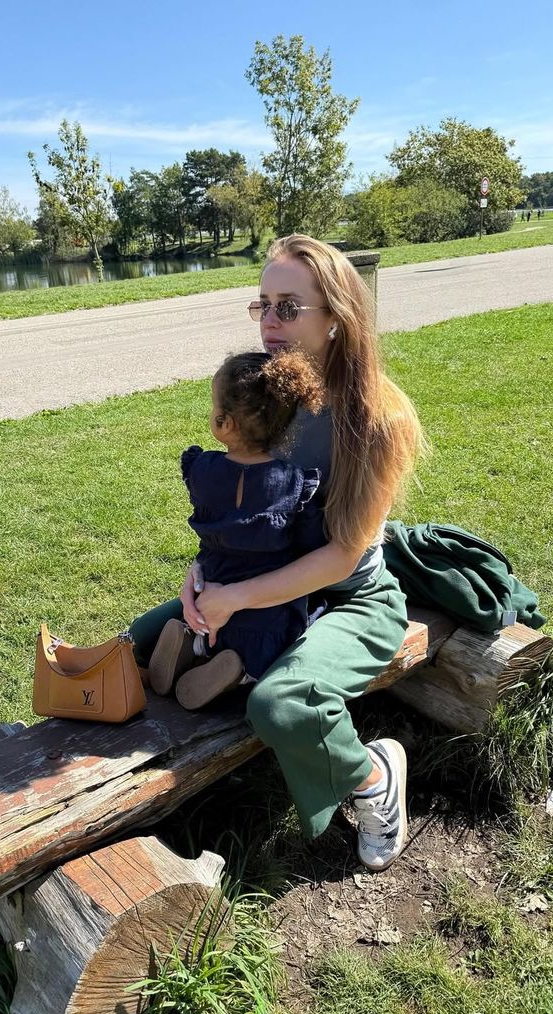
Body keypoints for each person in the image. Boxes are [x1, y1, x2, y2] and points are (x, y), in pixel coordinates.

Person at [130, 234, 426, 871]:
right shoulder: (272, 393)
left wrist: (232, 597)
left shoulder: (378, 418)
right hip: (259, 579)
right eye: (262, 304)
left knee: (282, 703)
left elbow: (343, 558)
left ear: (338, 320)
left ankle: (374, 777)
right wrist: (203, 573)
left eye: (288, 307)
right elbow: (243, 511)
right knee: (143, 640)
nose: (268, 322)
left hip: (352, 598)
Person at [147, 349, 326, 710]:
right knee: (285, 633)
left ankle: (193, 645)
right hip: (264, 607)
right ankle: (238, 672)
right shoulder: (293, 481)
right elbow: (310, 541)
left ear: (224, 424)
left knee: (205, 628)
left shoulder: (204, 470)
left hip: (211, 587)